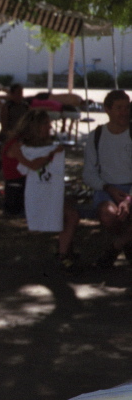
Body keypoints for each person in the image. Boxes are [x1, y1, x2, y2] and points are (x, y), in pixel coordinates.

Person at [9, 109, 80, 271]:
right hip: (25, 195)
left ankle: (64, 252)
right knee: (71, 215)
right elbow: (30, 165)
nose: (50, 126)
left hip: (48, 194)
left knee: (71, 213)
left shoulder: (49, 147)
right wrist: (49, 155)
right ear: (36, 126)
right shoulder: (20, 147)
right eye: (46, 123)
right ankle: (63, 254)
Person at [82, 89, 132, 268]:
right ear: (107, 109)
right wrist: (108, 188)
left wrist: (128, 199)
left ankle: (114, 247)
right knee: (108, 214)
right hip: (107, 189)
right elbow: (88, 173)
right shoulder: (96, 136)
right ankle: (127, 243)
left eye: (127, 107)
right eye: (119, 108)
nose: (124, 112)